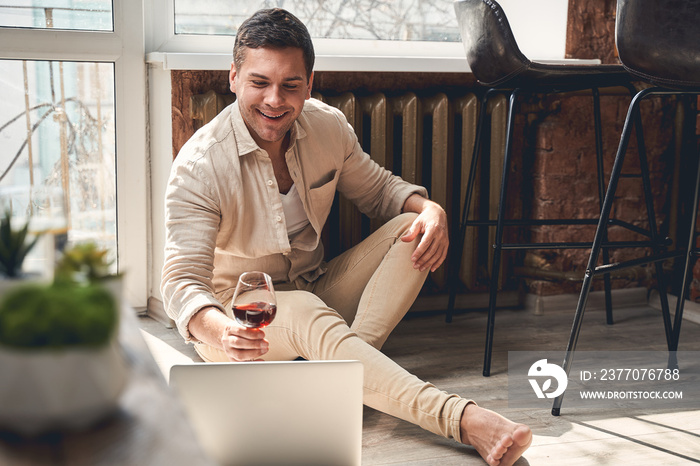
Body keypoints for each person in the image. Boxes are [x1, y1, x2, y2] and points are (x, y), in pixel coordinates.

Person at [160, 8, 532, 466]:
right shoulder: (199, 166)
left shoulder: (327, 126)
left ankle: (338, 377)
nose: (274, 100)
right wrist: (224, 332)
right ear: (234, 77)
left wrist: (431, 209)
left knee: (412, 232)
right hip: (238, 324)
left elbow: (379, 191)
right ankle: (461, 418)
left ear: (309, 83)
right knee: (308, 313)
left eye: (290, 85)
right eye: (259, 82)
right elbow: (181, 285)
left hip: (314, 287)